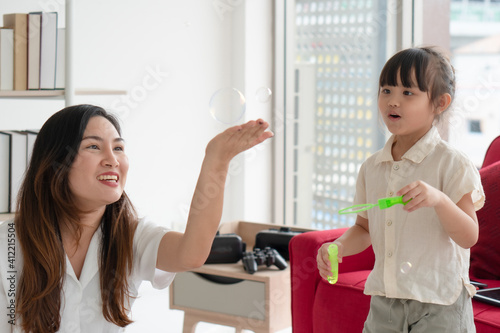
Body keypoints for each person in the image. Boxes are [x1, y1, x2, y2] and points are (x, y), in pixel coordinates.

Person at [0, 104, 273, 333]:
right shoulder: (8, 243)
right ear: (55, 163)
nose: (112, 160)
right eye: (93, 147)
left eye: (118, 148)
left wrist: (217, 159)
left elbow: (191, 253)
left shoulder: (133, 235)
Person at [317, 46, 485, 332]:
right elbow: (364, 228)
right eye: (386, 90)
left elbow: (469, 236)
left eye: (408, 93)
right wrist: (339, 246)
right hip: (386, 302)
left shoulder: (452, 164)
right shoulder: (372, 167)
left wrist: (439, 200)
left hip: (440, 303)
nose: (393, 101)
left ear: (440, 103)